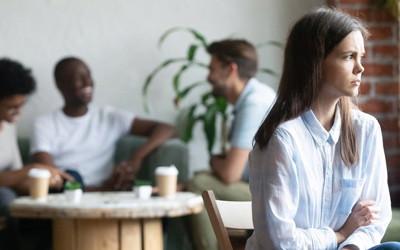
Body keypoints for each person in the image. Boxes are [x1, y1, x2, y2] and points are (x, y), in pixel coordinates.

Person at [246, 7, 400, 250]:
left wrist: (350, 245)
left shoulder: (366, 130)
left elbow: (375, 218)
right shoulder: (283, 138)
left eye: (361, 57)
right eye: (349, 56)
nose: (360, 68)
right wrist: (340, 234)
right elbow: (279, 242)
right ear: (315, 61)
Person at [31, 57, 176, 191]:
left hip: (108, 193)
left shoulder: (108, 117)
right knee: (70, 176)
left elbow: (167, 129)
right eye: (79, 78)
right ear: (60, 86)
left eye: (88, 76)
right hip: (67, 194)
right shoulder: (45, 124)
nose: (88, 82)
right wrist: (99, 191)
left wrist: (136, 158)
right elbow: (49, 175)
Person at [187, 39, 276, 250]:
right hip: (265, 190)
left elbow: (229, 174)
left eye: (212, 69)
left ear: (230, 70)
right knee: (198, 181)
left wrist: (213, 160)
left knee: (199, 185)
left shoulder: (254, 103)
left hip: (274, 196)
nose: (208, 77)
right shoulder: (253, 97)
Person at [0, 58, 72, 250]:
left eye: (22, 104)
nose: (19, 112)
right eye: (12, 107)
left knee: (57, 194)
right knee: (5, 197)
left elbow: (14, 173)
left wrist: (47, 185)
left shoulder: (7, 126)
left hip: (9, 192)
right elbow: (16, 175)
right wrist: (33, 169)